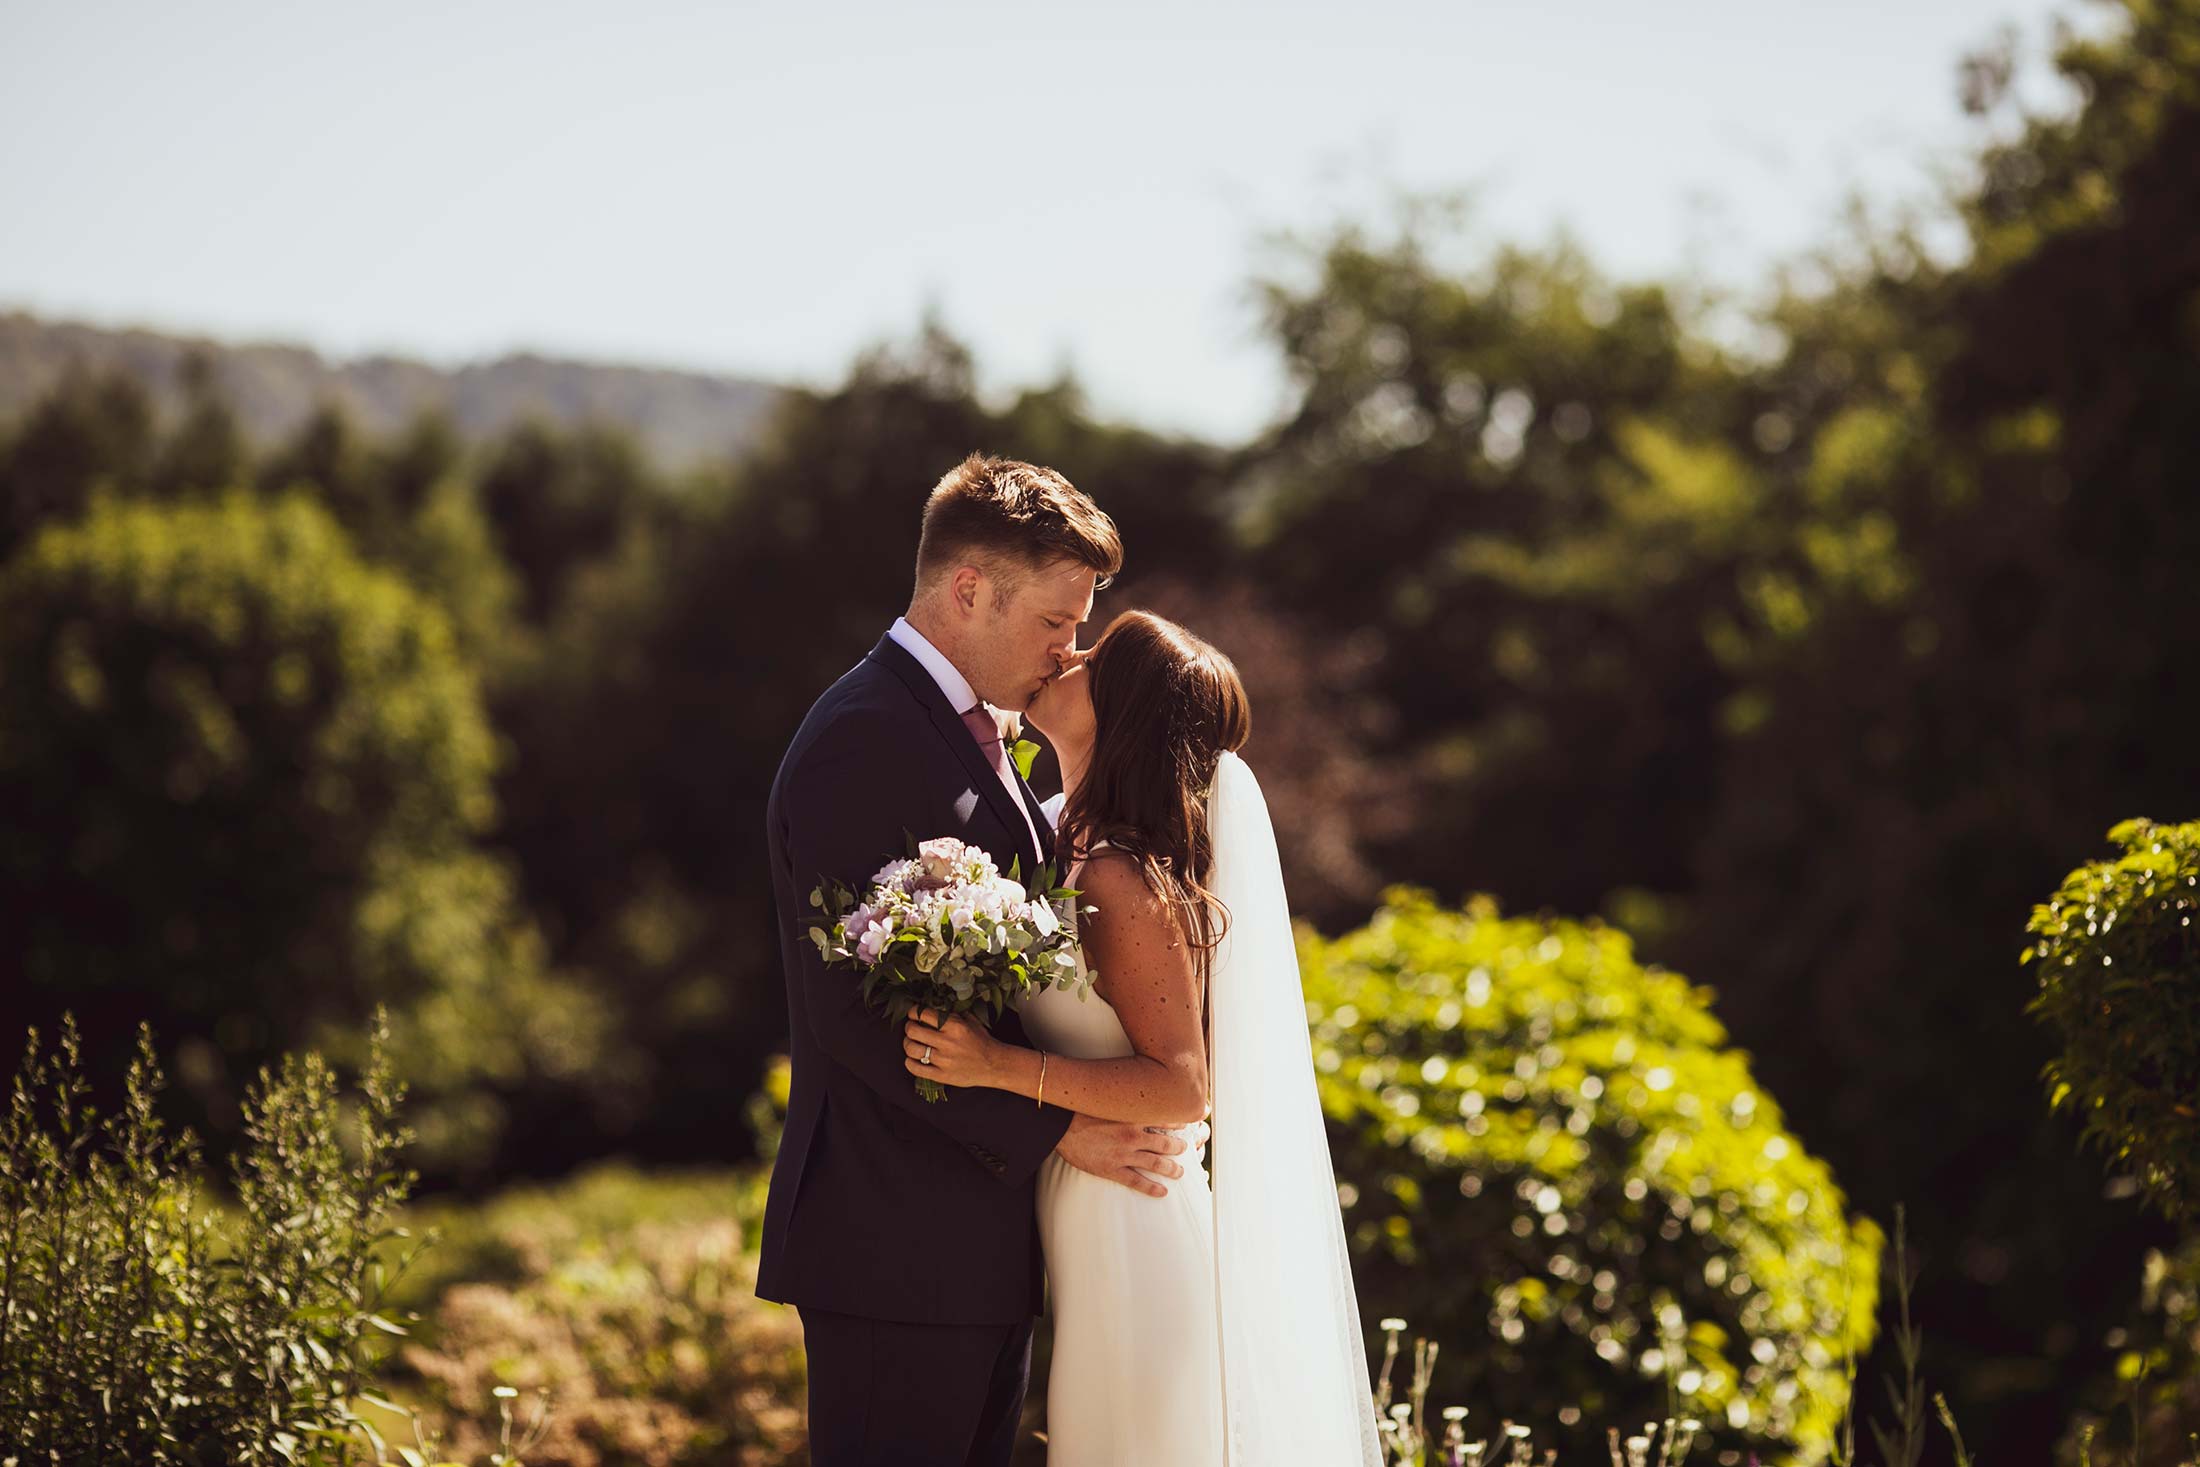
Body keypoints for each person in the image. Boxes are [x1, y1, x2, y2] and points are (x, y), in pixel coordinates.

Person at [755, 452, 1192, 1467]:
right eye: (1055, 621)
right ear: (966, 591)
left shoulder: (975, 736)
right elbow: (856, 1017)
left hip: (975, 1247)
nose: (1068, 647)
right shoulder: (865, 738)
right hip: (892, 1246)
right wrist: (1057, 1132)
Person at [905, 609, 1385, 1464]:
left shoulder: (1124, 874)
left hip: (1136, 1231)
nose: (1069, 654)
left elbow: (1182, 1085)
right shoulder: (1060, 836)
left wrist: (996, 1066)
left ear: (1121, 709)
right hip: (1087, 1225)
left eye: (1096, 654)